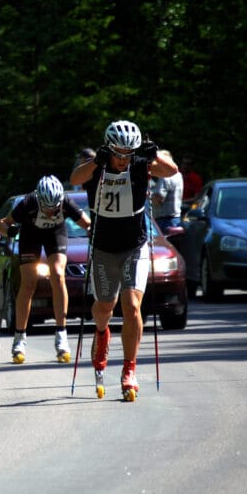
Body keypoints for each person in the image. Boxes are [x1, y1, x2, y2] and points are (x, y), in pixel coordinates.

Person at [70, 120, 178, 401]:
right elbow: (74, 179)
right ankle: (102, 333)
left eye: (128, 153)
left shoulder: (141, 164)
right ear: (108, 148)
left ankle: (129, 369)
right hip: (104, 248)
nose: (122, 159)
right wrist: (97, 163)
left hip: (134, 246)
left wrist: (154, 155)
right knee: (105, 306)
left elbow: (172, 171)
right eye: (118, 152)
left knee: (132, 305)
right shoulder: (98, 166)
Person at [0, 175, 90, 364]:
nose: (50, 211)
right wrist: (9, 230)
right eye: (46, 207)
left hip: (55, 235)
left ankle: (61, 335)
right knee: (29, 282)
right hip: (30, 236)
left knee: (57, 274)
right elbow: (2, 224)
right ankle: (19, 339)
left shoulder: (65, 201)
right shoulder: (28, 202)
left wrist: (94, 232)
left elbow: (87, 224)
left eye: (54, 207)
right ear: (39, 200)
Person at [151, 150, 184, 233]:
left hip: (164, 222)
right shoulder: (178, 175)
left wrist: (146, 195)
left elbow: (158, 199)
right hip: (175, 219)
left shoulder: (166, 176)